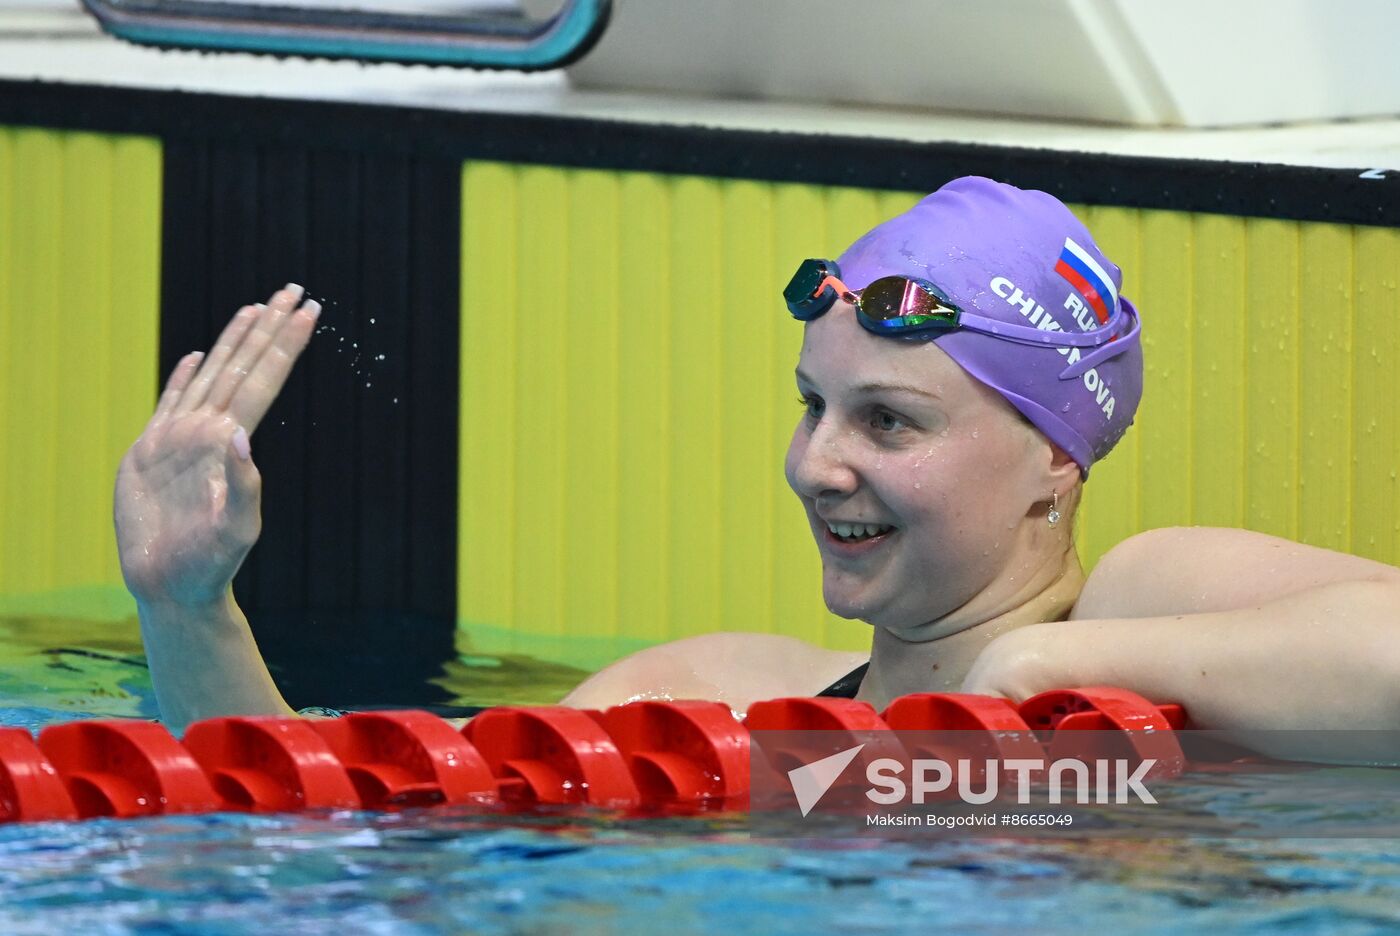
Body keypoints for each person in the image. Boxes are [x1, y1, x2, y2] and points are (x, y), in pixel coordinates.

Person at [115, 177, 1400, 759]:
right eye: (810, 407)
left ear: (1050, 461)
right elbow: (316, 836)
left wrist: (1042, 671)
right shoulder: (716, 695)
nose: (815, 465)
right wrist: (188, 606)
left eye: (887, 422)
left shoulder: (1145, 602)